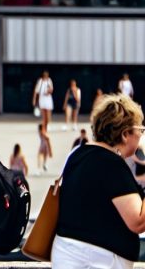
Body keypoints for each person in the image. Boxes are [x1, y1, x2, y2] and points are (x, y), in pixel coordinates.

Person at [51, 93, 145, 268]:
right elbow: (138, 222)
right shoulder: (113, 165)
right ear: (125, 134)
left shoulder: (77, 155)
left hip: (65, 254)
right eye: (141, 130)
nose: (141, 136)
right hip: (99, 260)